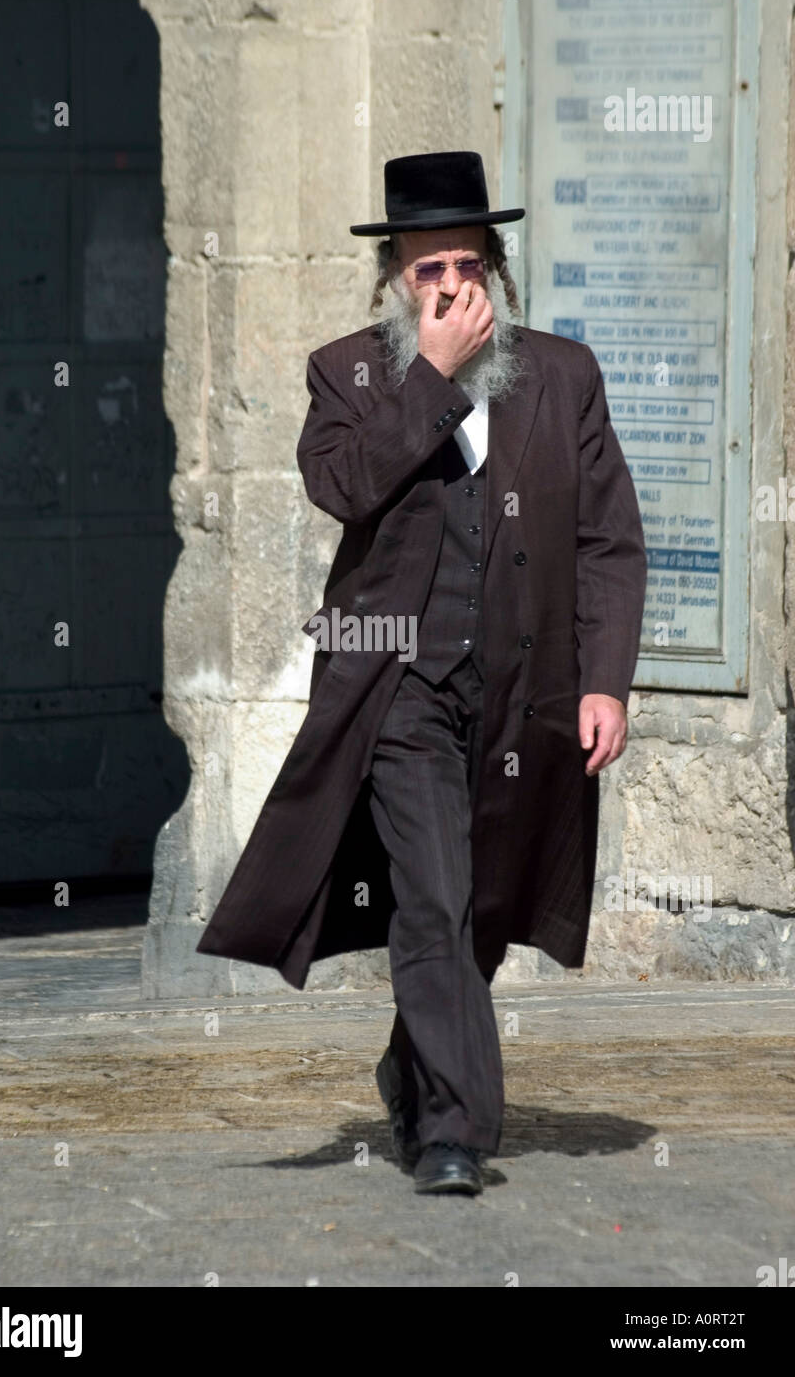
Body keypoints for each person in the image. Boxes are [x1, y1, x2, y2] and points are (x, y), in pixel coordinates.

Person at [196, 151, 647, 1197]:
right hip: (398, 686)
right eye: (423, 269)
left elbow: (610, 543)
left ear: (494, 267)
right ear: (394, 280)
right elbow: (343, 485)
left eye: (463, 264)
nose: (446, 287)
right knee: (433, 898)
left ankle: (413, 1060)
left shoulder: (564, 376)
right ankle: (453, 1130)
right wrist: (433, 378)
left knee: (486, 907)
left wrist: (605, 681)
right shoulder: (348, 374)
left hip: (524, 692)